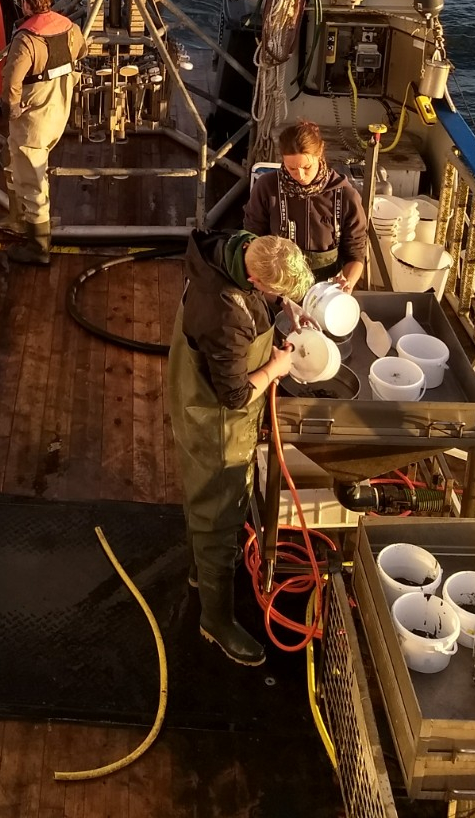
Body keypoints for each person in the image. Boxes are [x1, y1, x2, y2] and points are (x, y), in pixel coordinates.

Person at [169, 230, 312, 667]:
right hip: (217, 426)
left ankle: (200, 574)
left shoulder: (233, 246)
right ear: (254, 281)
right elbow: (233, 396)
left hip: (193, 403)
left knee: (201, 497)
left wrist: (284, 305)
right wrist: (276, 367)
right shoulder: (225, 314)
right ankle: (216, 621)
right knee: (219, 515)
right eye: (275, 291)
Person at [1, 0, 86, 266]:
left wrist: (12, 110)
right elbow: (82, 51)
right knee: (9, 158)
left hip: (33, 121)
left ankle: (38, 247)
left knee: (32, 181)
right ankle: (17, 218)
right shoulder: (70, 28)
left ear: (26, 5)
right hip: (58, 110)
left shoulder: (26, 39)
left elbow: (12, 83)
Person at [243, 120, 368, 288]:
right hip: (278, 289)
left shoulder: (346, 196)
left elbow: (355, 254)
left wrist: (347, 283)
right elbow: (252, 238)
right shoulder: (266, 187)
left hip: (326, 291)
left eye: (307, 167)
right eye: (292, 169)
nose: (300, 176)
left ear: (320, 153)